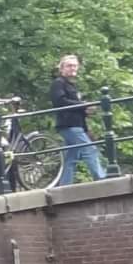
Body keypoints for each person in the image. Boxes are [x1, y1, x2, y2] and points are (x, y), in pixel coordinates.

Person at [49, 53, 107, 186]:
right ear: (62, 68)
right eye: (69, 66)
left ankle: (64, 185)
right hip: (69, 124)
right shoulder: (58, 83)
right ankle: (101, 178)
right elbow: (60, 102)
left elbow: (73, 105)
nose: (73, 68)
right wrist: (83, 105)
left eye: (75, 66)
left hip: (76, 124)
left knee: (72, 156)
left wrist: (85, 110)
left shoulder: (71, 85)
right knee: (89, 149)